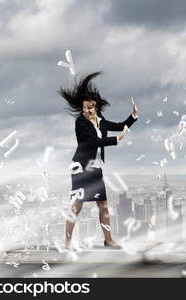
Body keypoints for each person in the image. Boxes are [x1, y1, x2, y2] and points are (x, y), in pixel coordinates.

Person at [59, 71, 138, 249]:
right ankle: (68, 242)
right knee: (77, 206)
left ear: (97, 108)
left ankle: (108, 240)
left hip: (95, 168)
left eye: (90, 107)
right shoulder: (80, 123)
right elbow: (92, 142)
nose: (87, 111)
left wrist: (133, 116)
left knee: (103, 204)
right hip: (80, 168)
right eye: (85, 107)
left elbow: (119, 126)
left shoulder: (101, 122)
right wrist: (116, 140)